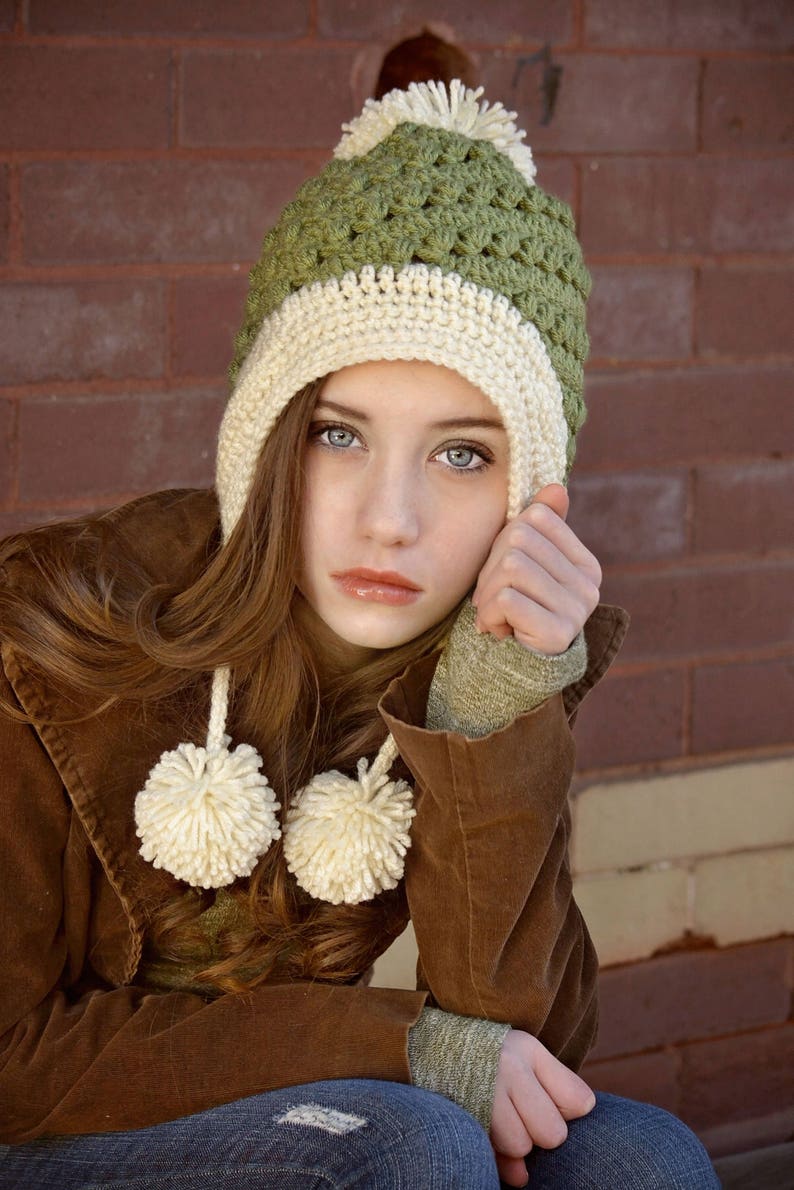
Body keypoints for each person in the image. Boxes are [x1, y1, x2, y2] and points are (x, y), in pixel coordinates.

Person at [0, 81, 718, 1189]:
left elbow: (532, 1047)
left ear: (525, 497)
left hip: (289, 1112)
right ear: (269, 438)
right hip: (47, 1124)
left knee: (640, 1157)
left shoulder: (465, 654)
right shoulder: (57, 629)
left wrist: (498, 709)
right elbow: (13, 1063)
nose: (391, 517)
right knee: (412, 1143)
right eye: (340, 434)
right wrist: (394, 1046)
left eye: (462, 454)